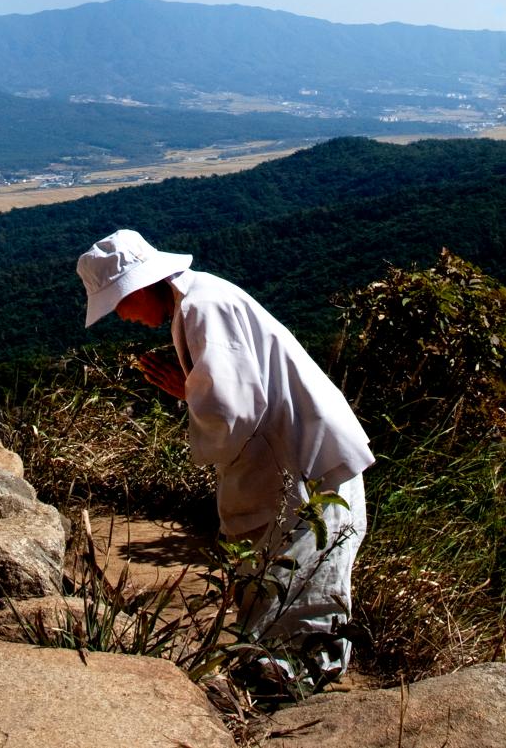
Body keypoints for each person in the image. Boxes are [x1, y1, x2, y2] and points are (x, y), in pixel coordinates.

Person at [75, 228, 374, 688]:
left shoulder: (202, 307)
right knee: (289, 570)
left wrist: (192, 393)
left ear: (138, 287)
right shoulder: (199, 302)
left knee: (300, 569)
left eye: (120, 304)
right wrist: (191, 389)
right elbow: (235, 396)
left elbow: (234, 412)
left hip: (306, 465)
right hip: (297, 455)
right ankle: (284, 671)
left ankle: (295, 677)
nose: (124, 316)